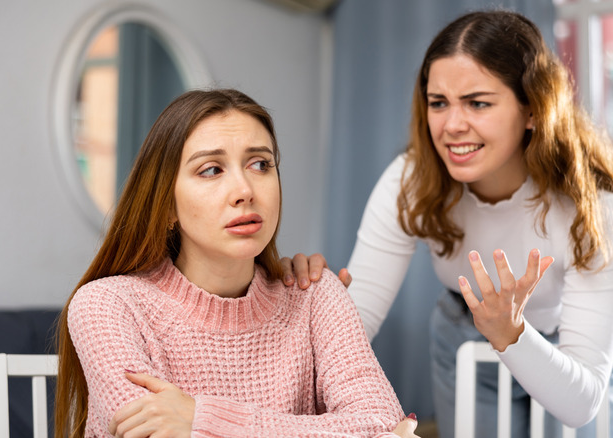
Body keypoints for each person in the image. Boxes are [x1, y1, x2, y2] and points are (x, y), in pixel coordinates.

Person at [282, 9, 613, 438]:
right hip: (467, 335)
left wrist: (512, 334)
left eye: (478, 103)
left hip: (572, 348)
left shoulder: (595, 209)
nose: (452, 125)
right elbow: (354, 325)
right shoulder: (411, 181)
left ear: (532, 109)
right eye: (439, 103)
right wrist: (307, 311)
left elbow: (580, 405)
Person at [53, 89, 420, 438]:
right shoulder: (106, 306)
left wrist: (203, 419)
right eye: (211, 170)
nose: (245, 190)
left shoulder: (313, 294)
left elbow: (385, 426)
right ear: (165, 205)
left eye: (260, 164)